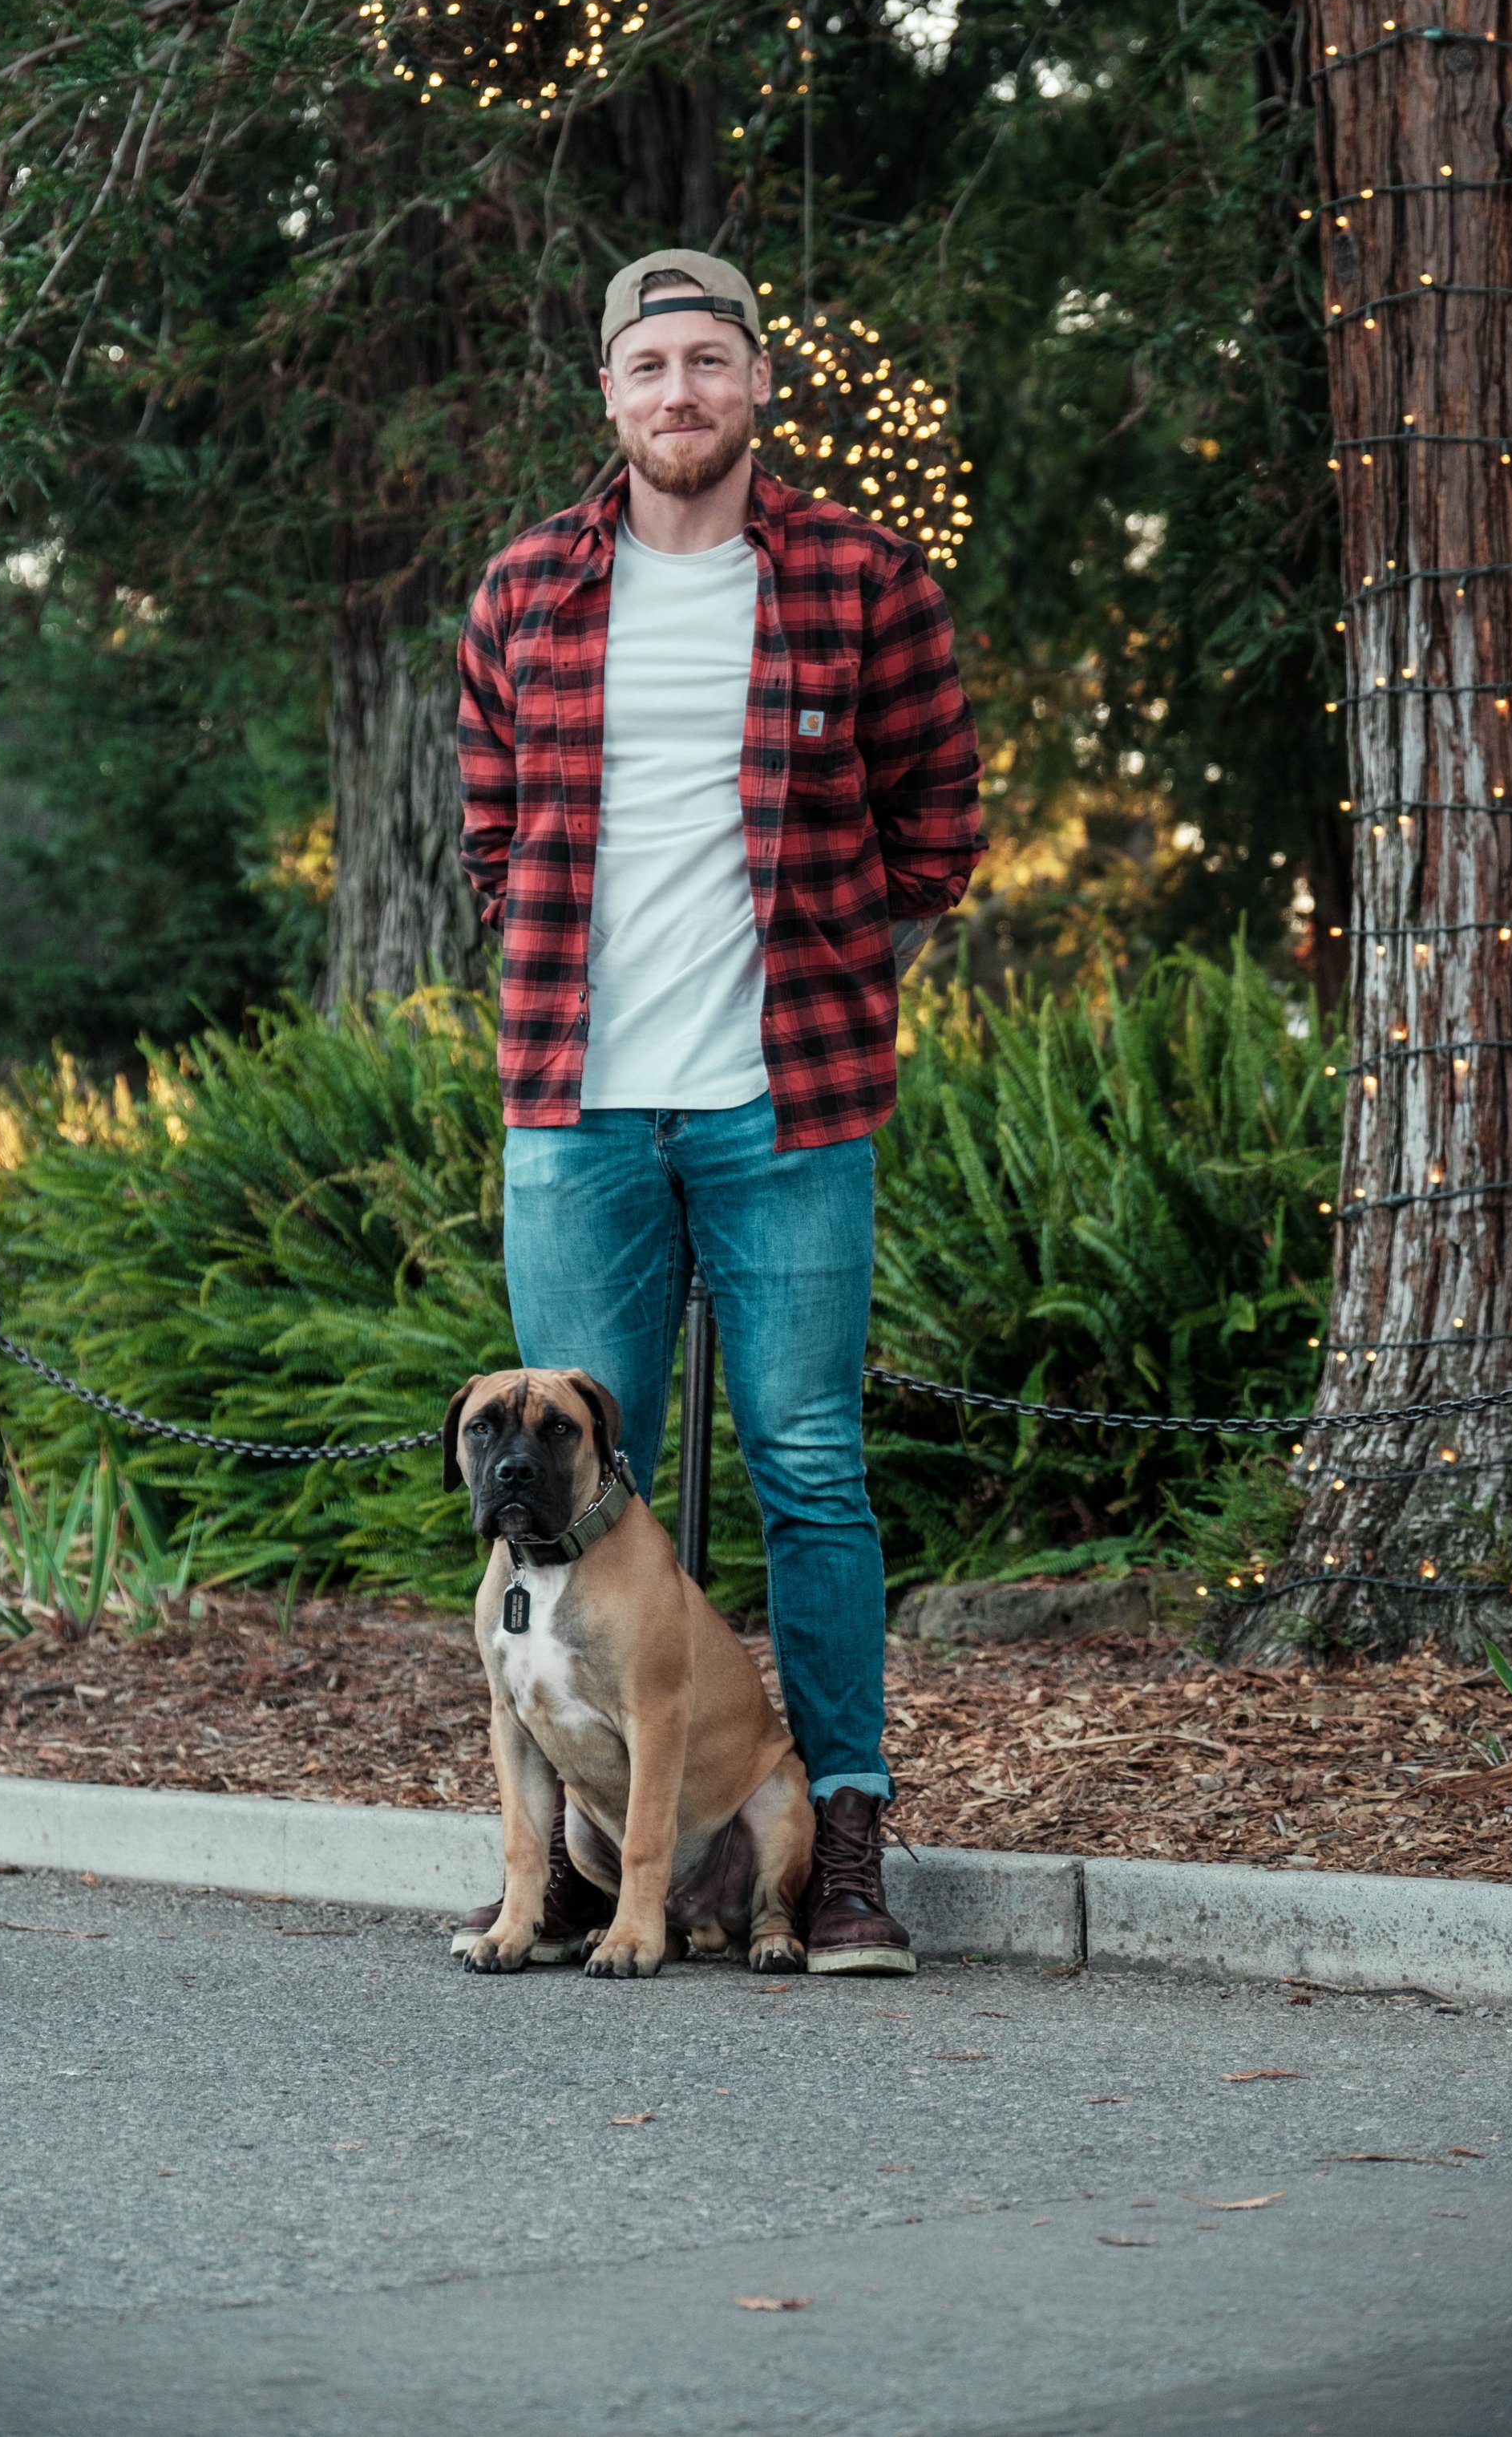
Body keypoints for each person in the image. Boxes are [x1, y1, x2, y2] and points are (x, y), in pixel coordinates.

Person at [455, 246, 982, 1975]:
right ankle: (567, 1871)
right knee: (568, 1491)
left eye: (706, 362)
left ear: (755, 381)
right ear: (608, 393)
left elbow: (940, 824)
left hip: (789, 1106)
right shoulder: (526, 587)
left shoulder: (860, 580)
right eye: (647, 367)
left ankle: (841, 1845)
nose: (677, 393)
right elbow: (488, 834)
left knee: (811, 1468)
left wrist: (827, 957)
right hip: (578, 1111)